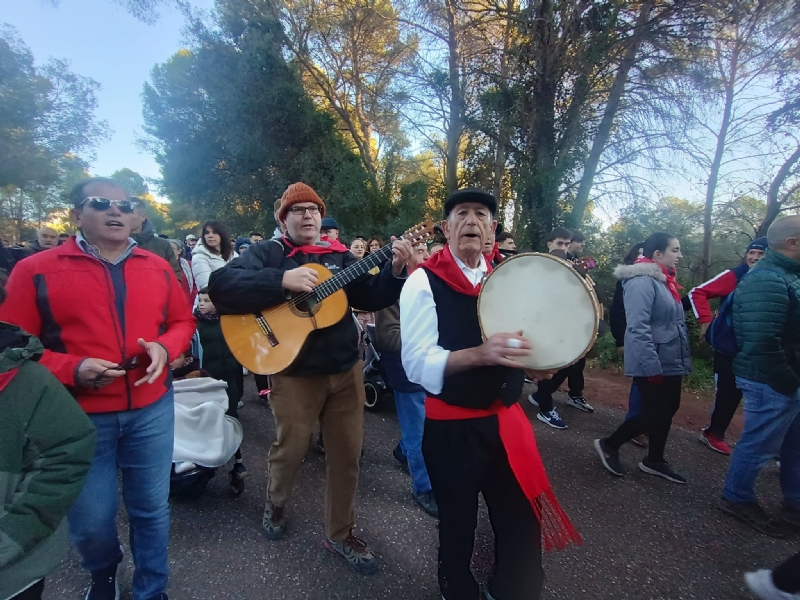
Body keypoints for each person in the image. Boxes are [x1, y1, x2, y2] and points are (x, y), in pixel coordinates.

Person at [0, 177, 195, 600]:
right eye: (101, 203)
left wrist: (166, 347)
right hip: (77, 418)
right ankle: (103, 572)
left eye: (127, 205)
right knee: (91, 520)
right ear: (77, 215)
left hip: (152, 407)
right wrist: (72, 368)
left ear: (137, 216)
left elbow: (183, 321)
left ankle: (151, 589)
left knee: (151, 508)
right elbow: (12, 348)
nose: (116, 211)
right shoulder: (34, 269)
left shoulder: (158, 265)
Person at [207, 182, 412, 575]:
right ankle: (276, 502)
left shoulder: (339, 257)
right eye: (298, 210)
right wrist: (281, 281)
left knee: (347, 455)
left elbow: (369, 297)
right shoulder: (269, 253)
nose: (308, 215)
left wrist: (396, 271)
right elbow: (221, 286)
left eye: (314, 209)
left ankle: (340, 532)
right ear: (283, 219)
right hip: (294, 374)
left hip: (345, 371)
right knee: (291, 449)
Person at [400, 188, 580, 600]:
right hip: (452, 430)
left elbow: (520, 342)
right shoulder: (423, 281)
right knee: (458, 523)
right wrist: (480, 354)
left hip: (506, 423)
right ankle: (457, 590)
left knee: (521, 518)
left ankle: (513, 590)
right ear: (446, 228)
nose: (471, 221)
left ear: (492, 229)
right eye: (461, 213)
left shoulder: (509, 278)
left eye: (481, 214)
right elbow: (416, 365)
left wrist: (533, 365)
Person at [0, 277, 96, 600]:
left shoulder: (26, 380)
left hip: (13, 573)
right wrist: (73, 367)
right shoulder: (34, 269)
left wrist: (10, 537)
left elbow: (64, 455)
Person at [720, 216, 800, 537]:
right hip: (771, 380)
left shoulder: (788, 275)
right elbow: (761, 341)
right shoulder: (766, 280)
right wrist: (788, 382)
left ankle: (795, 502)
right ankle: (736, 498)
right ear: (792, 242)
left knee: (794, 443)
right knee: (760, 444)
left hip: (785, 378)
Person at [594, 232, 691, 484]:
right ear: (658, 254)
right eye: (675, 250)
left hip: (670, 357)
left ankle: (654, 460)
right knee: (654, 412)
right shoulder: (641, 282)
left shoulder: (663, 280)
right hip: (654, 359)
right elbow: (638, 327)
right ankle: (609, 444)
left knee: (667, 409)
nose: (680, 255)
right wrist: (651, 366)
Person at [374, 242, 437, 518]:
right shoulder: (394, 288)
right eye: (421, 251)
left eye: (428, 250)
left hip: (428, 365)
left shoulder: (429, 283)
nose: (429, 255)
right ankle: (424, 488)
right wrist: (431, 340)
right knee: (419, 432)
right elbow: (387, 337)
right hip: (406, 370)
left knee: (423, 423)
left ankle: (403, 451)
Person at [689, 237, 768, 455]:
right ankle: (713, 433)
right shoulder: (737, 275)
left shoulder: (777, 277)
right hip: (729, 346)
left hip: (758, 347)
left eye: (760, 254)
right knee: (728, 391)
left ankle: (769, 445)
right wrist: (705, 322)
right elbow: (698, 292)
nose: (754, 257)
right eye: (751, 252)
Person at [528, 227, 595, 428]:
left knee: (572, 363)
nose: (563, 247)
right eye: (559, 243)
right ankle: (546, 409)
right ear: (549, 244)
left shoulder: (570, 265)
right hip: (541, 323)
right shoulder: (538, 263)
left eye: (566, 244)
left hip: (563, 323)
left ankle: (541, 396)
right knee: (548, 364)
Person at [194, 288, 247, 492]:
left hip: (228, 378)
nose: (202, 303)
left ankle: (237, 459)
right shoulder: (195, 325)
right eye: (200, 300)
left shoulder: (228, 322)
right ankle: (202, 461)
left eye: (207, 300)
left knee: (231, 417)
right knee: (205, 419)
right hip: (206, 380)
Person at [610, 242, 646, 446]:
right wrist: (620, 340)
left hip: (654, 339)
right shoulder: (626, 279)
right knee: (641, 382)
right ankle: (632, 426)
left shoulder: (661, 278)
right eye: (638, 255)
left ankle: (642, 424)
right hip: (634, 337)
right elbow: (618, 310)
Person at [131, 198, 183, 282]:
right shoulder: (115, 244)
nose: (124, 216)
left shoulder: (163, 245)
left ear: (143, 216)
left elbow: (175, 275)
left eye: (129, 212)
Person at [192, 220, 237, 291]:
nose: (210, 236)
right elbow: (206, 286)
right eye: (207, 233)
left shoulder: (233, 254)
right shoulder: (199, 257)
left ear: (222, 234)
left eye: (215, 232)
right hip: (212, 297)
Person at [169, 239, 196, 304]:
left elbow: (196, 284)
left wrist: (191, 298)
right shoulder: (163, 265)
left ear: (179, 251)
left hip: (188, 301)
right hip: (170, 302)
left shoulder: (189, 265)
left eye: (172, 248)